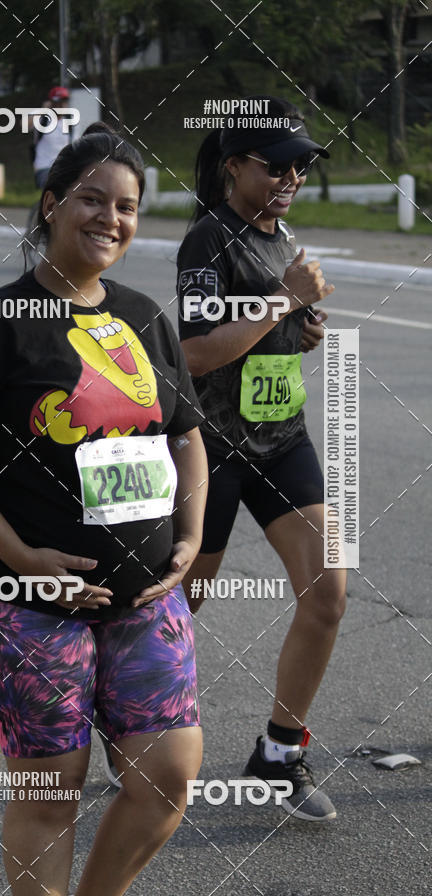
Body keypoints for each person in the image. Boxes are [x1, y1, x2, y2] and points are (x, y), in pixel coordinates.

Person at [0, 122, 208, 896]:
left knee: (167, 777)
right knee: (53, 789)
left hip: (144, 597)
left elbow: (186, 435)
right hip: (25, 605)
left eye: (126, 207)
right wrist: (23, 559)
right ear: (52, 205)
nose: (110, 219)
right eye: (92, 199)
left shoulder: (140, 313)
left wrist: (189, 535)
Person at [177, 96, 346, 822]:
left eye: (302, 166)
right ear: (234, 166)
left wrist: (298, 329)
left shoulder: (283, 234)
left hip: (283, 439)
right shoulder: (206, 242)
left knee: (329, 593)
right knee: (180, 608)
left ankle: (279, 753)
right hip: (211, 448)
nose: (292, 177)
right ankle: (141, 729)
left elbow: (264, 332)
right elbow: (192, 353)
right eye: (277, 165)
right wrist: (282, 302)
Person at [31, 85, 72, 189]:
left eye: (64, 102)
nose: (62, 105)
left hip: (64, 169)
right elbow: (24, 124)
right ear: (51, 103)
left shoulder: (71, 122)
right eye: (58, 102)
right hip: (44, 168)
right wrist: (43, 110)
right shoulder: (43, 119)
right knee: (54, 186)